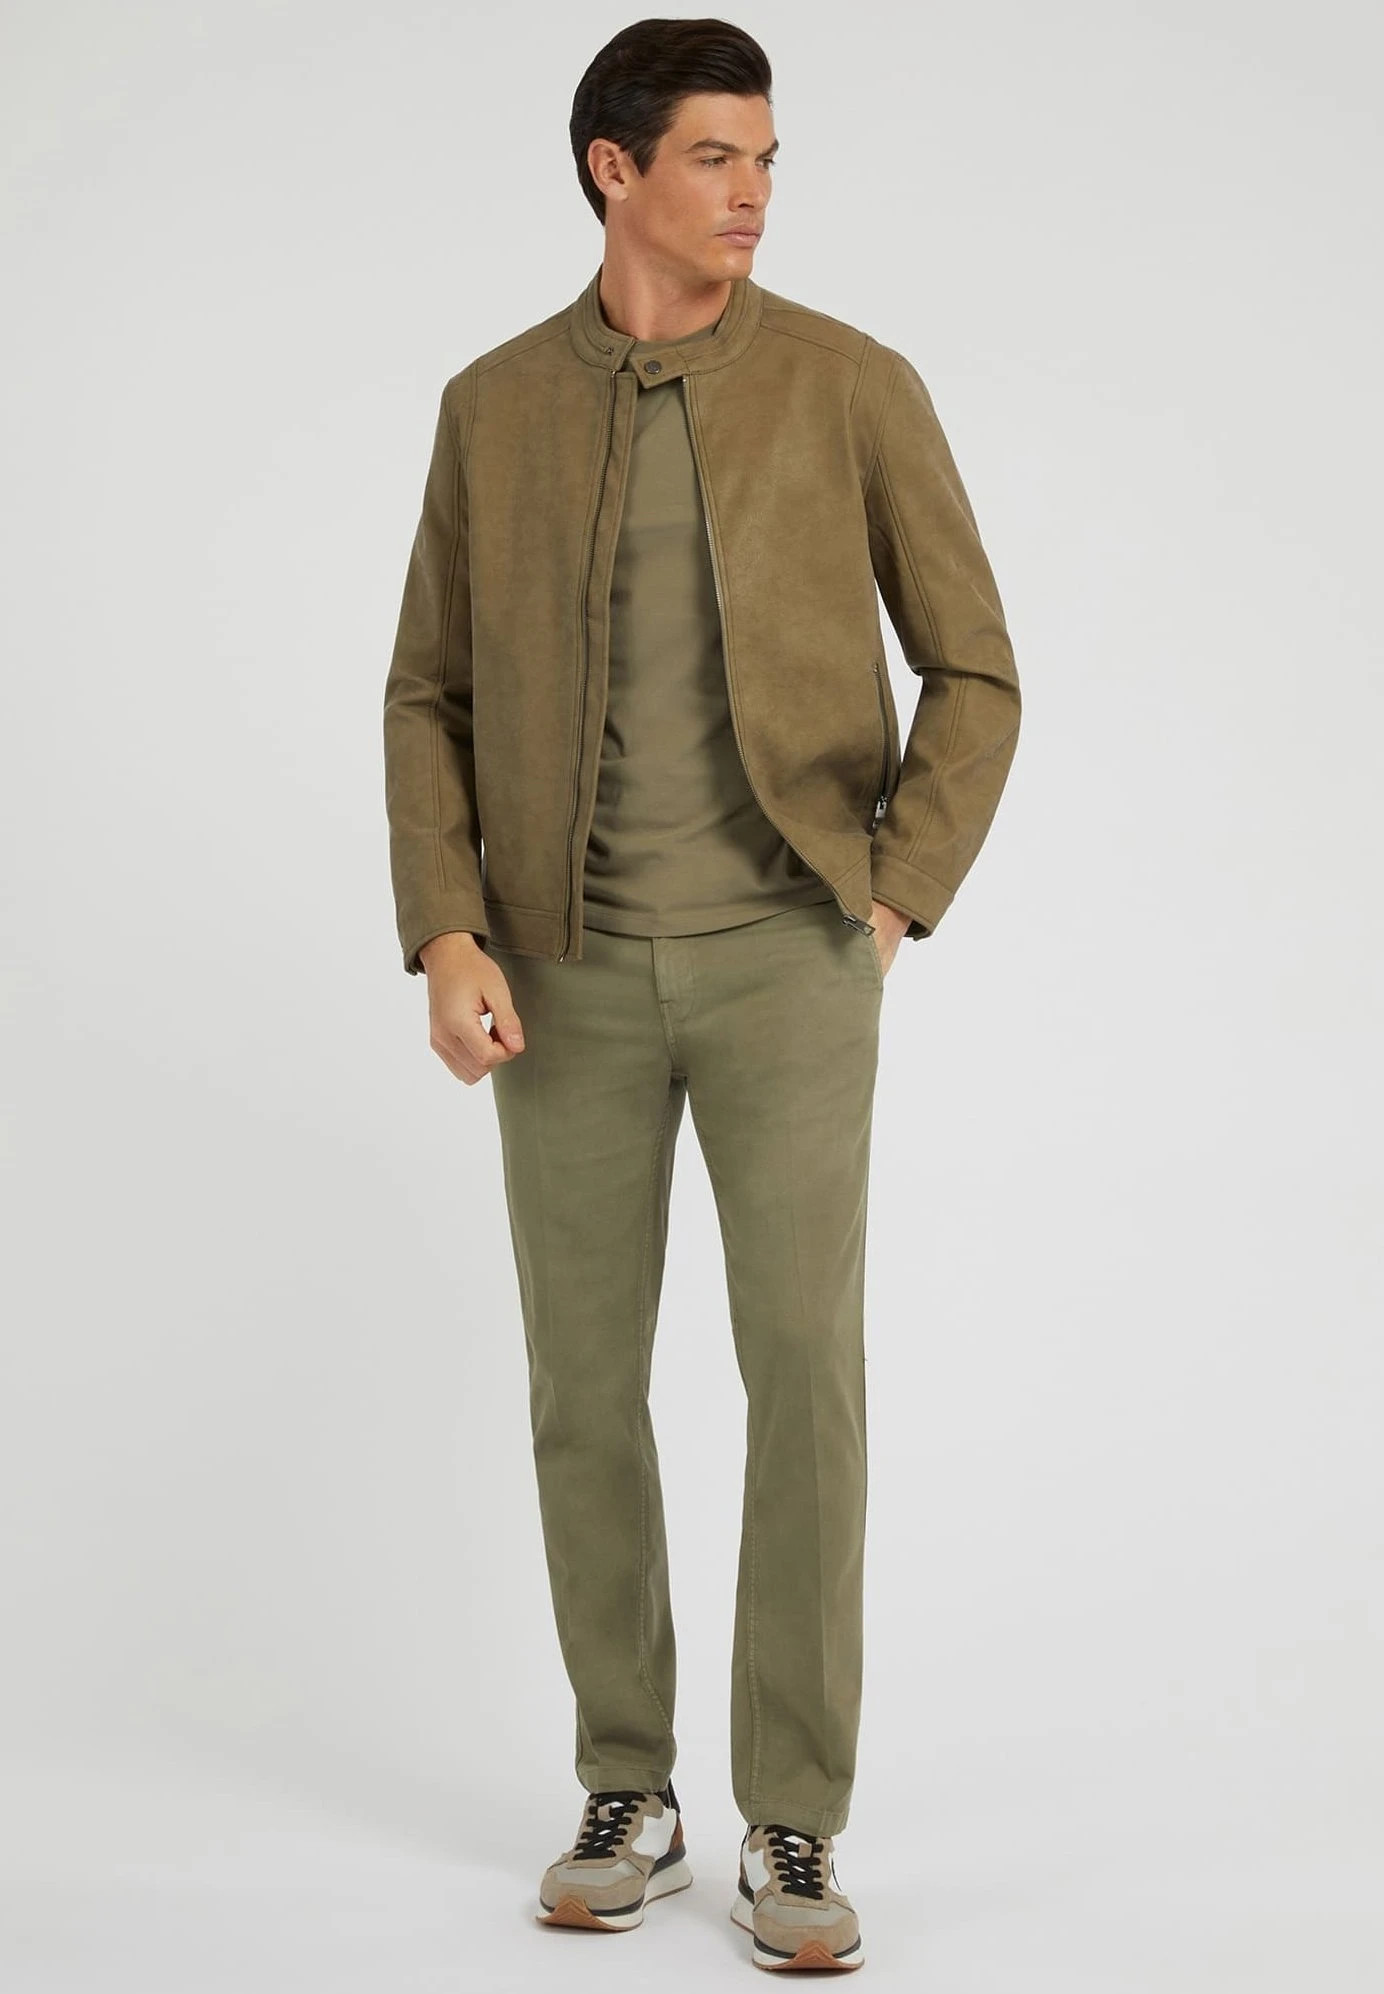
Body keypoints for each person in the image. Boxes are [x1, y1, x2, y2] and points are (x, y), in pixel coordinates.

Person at [381, 16, 1020, 1974]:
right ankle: (627, 1785)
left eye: (766, 160)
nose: (750, 193)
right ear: (614, 168)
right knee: (582, 1384)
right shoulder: (494, 405)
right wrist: (448, 928)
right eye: (714, 157)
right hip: (558, 973)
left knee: (802, 1375)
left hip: (788, 963)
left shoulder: (849, 385)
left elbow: (975, 669)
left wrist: (891, 895)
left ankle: (794, 1815)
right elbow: (426, 690)